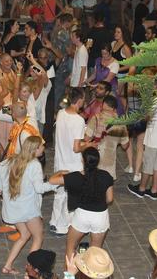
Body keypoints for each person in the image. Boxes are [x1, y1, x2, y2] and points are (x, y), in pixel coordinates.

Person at [0, 136, 58, 274]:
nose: (43, 148)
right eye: (41, 146)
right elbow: (39, 189)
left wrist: (2, 188)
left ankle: (7, 266)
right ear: (35, 149)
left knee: (24, 235)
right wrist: (54, 185)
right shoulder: (34, 165)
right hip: (28, 210)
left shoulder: (12, 159)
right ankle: (30, 272)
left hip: (13, 209)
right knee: (38, 237)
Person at [49, 147, 114, 260]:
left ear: (83, 161)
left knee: (71, 247)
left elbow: (51, 180)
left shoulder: (75, 177)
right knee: (96, 251)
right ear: (98, 161)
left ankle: (69, 275)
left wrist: (60, 172)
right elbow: (110, 199)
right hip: (100, 217)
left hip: (82, 216)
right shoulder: (106, 175)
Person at [50, 88, 97, 235]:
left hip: (60, 160)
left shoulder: (61, 113)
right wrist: (89, 145)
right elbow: (76, 148)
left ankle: (54, 221)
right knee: (71, 195)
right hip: (72, 163)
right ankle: (63, 226)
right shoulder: (78, 120)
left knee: (59, 193)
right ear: (80, 100)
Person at [128, 78, 157, 200]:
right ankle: (154, 191)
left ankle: (141, 189)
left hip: (153, 139)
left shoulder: (154, 100)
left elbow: (147, 117)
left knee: (148, 165)